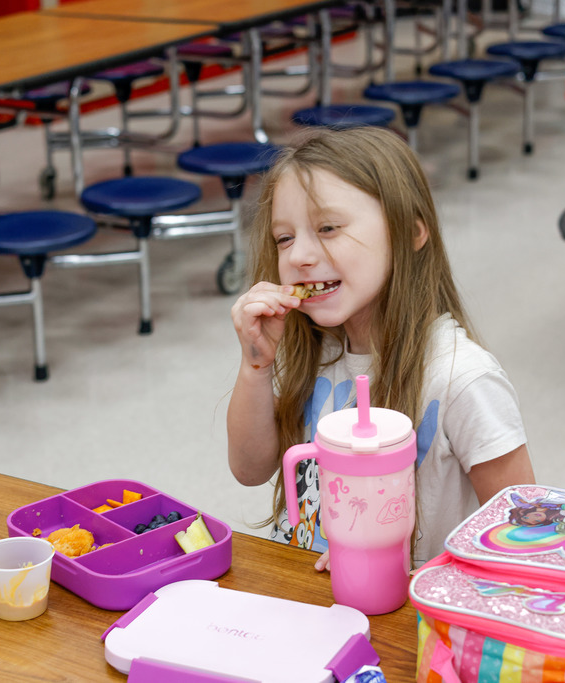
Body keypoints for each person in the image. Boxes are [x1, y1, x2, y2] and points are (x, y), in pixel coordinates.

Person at [227, 126, 535, 566]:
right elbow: (250, 469)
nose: (297, 257)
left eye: (328, 227)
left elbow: (523, 537)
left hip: (403, 622)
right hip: (314, 602)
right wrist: (254, 368)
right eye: (285, 238)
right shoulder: (320, 351)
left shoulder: (462, 378)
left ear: (410, 232)